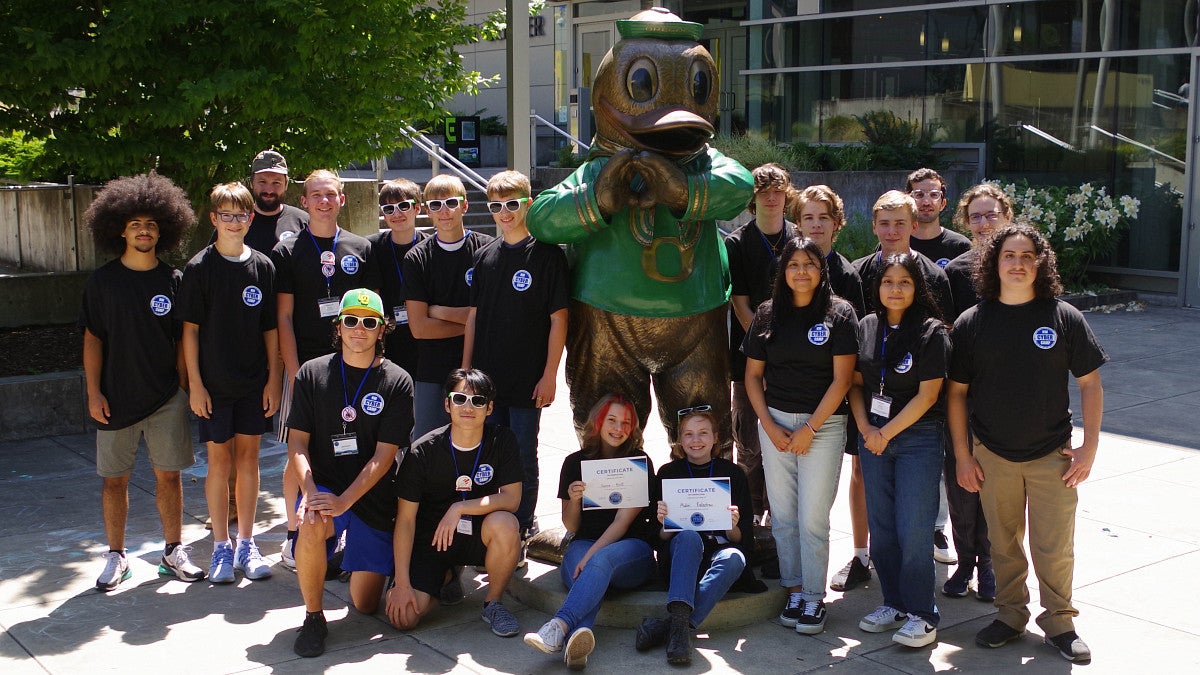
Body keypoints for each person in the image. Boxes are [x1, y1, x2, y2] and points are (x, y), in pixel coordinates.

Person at [948, 225, 1107, 663]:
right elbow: (956, 393)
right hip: (992, 454)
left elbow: (1090, 384)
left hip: (1052, 455)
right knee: (1003, 543)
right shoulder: (972, 322)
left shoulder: (1063, 317)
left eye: (1026, 256)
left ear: (1040, 263)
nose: (1017, 264)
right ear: (993, 263)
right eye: (1008, 256)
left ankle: (1060, 621)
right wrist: (964, 454)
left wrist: (1089, 446)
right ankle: (1010, 615)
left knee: (1054, 545)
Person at [80, 172, 205, 590]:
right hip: (115, 396)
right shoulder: (102, 282)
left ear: (163, 229)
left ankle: (173, 551)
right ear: (120, 229)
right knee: (113, 480)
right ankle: (116, 555)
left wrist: (186, 388)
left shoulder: (173, 281)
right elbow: (93, 340)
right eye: (135, 224)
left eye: (151, 224)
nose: (144, 230)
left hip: (166, 396)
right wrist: (93, 391)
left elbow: (182, 340)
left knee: (169, 476)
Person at [287, 289, 414, 658]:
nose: (360, 329)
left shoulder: (397, 380)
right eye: (351, 321)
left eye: (369, 322)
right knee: (311, 520)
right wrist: (310, 491)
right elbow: (297, 444)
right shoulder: (312, 373)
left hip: (371, 494)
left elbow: (385, 456)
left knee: (365, 605)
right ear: (338, 327)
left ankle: (351, 556)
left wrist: (345, 502)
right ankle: (313, 617)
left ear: (381, 331)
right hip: (325, 485)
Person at [744, 237, 858, 635]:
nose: (802, 271)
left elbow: (843, 380)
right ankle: (793, 589)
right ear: (783, 270)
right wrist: (769, 425)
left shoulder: (839, 314)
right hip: (774, 422)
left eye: (810, 263)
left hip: (822, 427)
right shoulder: (767, 314)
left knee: (812, 517)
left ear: (821, 269)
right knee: (784, 517)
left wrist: (810, 428)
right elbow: (753, 377)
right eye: (793, 264)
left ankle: (814, 597)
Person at [273, 169, 380, 569]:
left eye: (330, 194)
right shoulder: (287, 252)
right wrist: (295, 369)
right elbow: (283, 317)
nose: (323, 201)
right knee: (298, 450)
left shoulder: (359, 247)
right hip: (305, 367)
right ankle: (292, 532)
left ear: (342, 199)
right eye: (315, 195)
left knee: (353, 441)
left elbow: (371, 310)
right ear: (304, 202)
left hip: (354, 363)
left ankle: (348, 530)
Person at [179, 182, 281, 583]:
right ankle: (221, 545)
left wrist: (274, 380)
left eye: (241, 215)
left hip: (253, 383)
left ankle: (246, 543)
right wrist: (197, 386)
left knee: (249, 460)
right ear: (213, 219)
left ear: (250, 218)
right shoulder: (199, 268)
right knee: (219, 462)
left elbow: (270, 330)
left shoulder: (263, 266)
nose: (234, 221)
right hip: (215, 386)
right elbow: (189, 332)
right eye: (227, 215)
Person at [849, 253, 950, 649]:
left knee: (914, 529)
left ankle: (923, 614)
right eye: (888, 281)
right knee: (883, 527)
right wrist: (864, 428)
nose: (895, 288)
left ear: (917, 287)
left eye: (904, 282)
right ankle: (893, 603)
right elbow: (856, 384)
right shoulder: (867, 326)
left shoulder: (931, 332)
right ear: (877, 286)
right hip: (872, 436)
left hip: (916, 438)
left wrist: (884, 432)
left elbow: (928, 396)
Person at [463, 170, 569, 543]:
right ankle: (493, 521)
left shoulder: (548, 256)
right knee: (488, 454)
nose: (504, 212)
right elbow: (473, 318)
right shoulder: (483, 256)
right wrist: (465, 371)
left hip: (527, 378)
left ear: (529, 203)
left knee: (524, 454)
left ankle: (523, 525)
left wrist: (550, 374)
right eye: (496, 205)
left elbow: (559, 321)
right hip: (486, 380)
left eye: (512, 203)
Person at [853, 190, 955, 565]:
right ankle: (865, 555)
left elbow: (943, 336)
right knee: (866, 476)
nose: (892, 230)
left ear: (914, 225)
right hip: (870, 403)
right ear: (874, 226)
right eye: (884, 223)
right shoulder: (860, 271)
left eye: (900, 223)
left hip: (917, 406)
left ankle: (930, 533)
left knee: (920, 488)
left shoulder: (934, 275)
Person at [386, 369, 523, 638]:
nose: (468, 407)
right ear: (447, 404)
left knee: (507, 524)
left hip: (477, 532)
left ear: (490, 407)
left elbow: (512, 499)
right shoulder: (422, 451)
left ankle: (492, 604)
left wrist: (459, 507)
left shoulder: (502, 440)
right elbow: (405, 520)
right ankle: (445, 577)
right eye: (460, 399)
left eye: (478, 401)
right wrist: (402, 583)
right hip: (433, 538)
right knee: (404, 618)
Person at [524, 394, 658, 669]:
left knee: (598, 562)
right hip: (583, 542)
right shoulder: (574, 463)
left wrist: (592, 556)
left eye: (626, 422)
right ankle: (577, 642)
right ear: (598, 421)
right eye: (612, 420)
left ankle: (558, 625)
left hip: (631, 549)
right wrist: (573, 501)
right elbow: (572, 527)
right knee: (588, 567)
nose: (618, 428)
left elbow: (621, 524)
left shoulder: (638, 461)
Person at [790, 185, 871, 593]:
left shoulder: (848, 277)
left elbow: (857, 350)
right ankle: (795, 568)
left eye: (823, 218)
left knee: (848, 479)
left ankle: (861, 554)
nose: (816, 225)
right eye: (808, 218)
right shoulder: (789, 268)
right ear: (797, 223)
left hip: (837, 401)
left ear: (836, 225)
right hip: (792, 401)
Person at [635, 406, 753, 665]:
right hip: (681, 558)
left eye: (703, 433)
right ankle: (679, 634)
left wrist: (732, 524)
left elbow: (742, 540)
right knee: (688, 536)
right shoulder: (668, 473)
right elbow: (657, 539)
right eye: (688, 434)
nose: (696, 440)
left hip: (719, 553)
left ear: (715, 438)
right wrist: (664, 524)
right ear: (680, 439)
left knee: (735, 557)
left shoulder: (733, 474)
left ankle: (673, 628)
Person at [940, 183, 1013, 601]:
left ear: (1006, 215)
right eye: (977, 217)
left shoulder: (1023, 264)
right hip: (964, 392)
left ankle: (990, 561)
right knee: (962, 479)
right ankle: (966, 558)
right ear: (966, 222)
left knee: (997, 482)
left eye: (992, 215)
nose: (984, 224)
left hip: (1008, 395)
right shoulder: (956, 272)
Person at [724, 163, 793, 522]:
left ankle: (778, 514)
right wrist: (766, 353)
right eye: (764, 191)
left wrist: (784, 355)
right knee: (749, 439)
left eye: (777, 190)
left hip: (793, 362)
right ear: (753, 198)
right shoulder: (736, 243)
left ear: (786, 195)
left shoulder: (799, 240)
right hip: (748, 359)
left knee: (785, 442)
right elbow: (740, 304)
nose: (771, 197)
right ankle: (750, 512)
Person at [403, 175, 494, 438]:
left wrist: (438, 311)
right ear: (426, 210)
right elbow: (419, 328)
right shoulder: (417, 258)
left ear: (464, 206)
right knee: (426, 444)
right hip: (432, 370)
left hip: (480, 367)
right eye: (435, 204)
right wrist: (470, 322)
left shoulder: (486, 250)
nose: (444, 211)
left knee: (478, 444)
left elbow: (488, 316)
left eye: (451, 202)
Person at [368, 178, 427, 379]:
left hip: (425, 341)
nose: (397, 213)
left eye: (403, 206)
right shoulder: (371, 248)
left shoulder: (431, 247)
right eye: (389, 208)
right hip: (388, 342)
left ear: (417, 208)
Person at [241, 150, 308, 253]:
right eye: (262, 182)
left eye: (276, 183)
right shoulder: (235, 222)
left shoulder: (303, 222)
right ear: (251, 183)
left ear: (286, 185)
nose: (269, 190)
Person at [905, 168, 970, 269]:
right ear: (908, 202)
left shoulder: (960, 247)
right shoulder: (895, 243)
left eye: (934, 195)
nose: (926, 202)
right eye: (919, 195)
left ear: (943, 204)